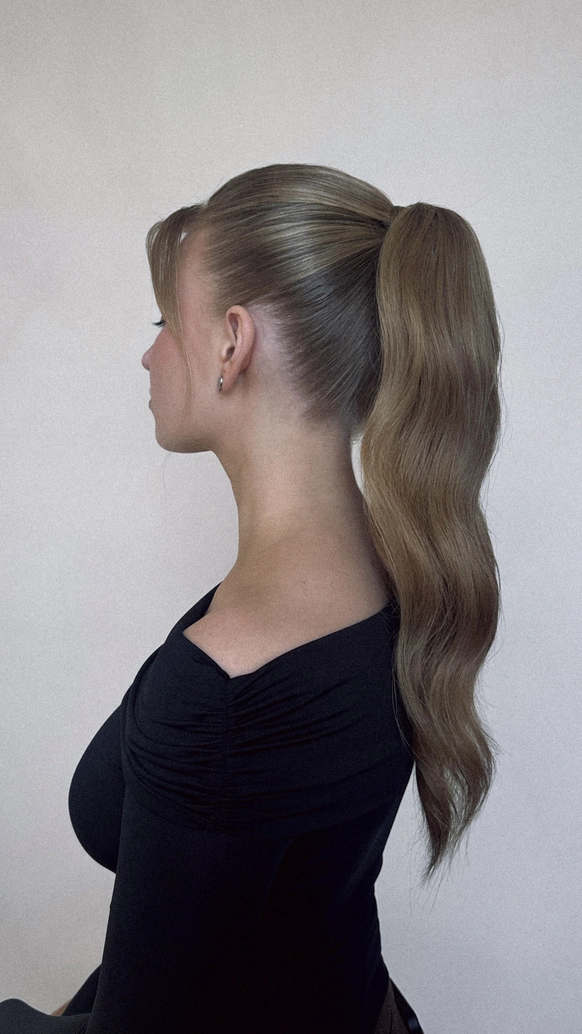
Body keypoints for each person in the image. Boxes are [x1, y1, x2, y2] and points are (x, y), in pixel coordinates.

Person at [0, 163, 503, 1033]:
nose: (152, 353)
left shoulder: (226, 689)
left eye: (166, 322)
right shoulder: (396, 577)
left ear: (233, 343)